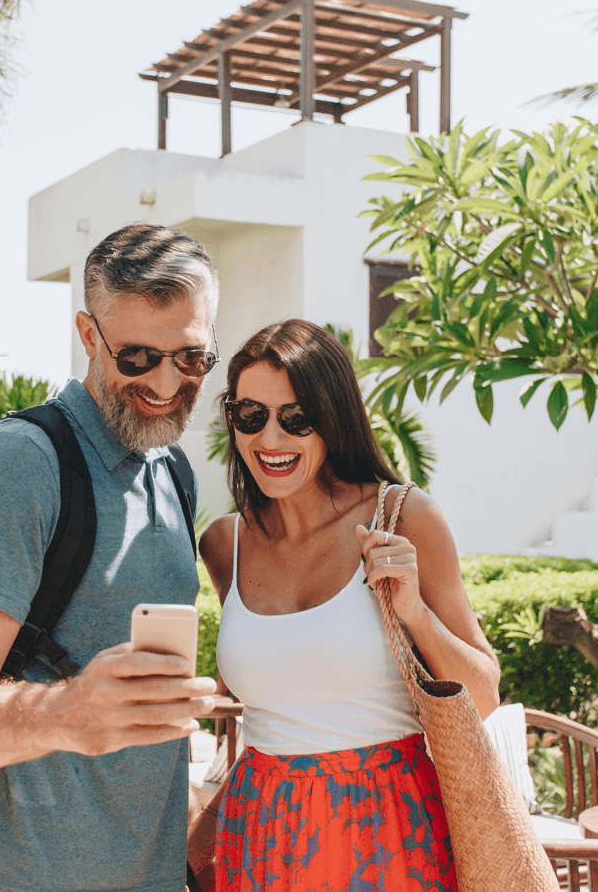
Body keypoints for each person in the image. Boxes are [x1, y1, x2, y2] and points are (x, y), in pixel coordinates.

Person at [0, 223, 221, 892]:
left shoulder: (173, 469)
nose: (166, 382)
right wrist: (65, 714)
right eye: (137, 356)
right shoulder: (22, 463)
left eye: (192, 357)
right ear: (89, 335)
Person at [194, 319, 501, 891]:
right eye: (250, 415)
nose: (271, 439)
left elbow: (483, 698)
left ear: (333, 419)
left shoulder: (405, 518)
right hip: (260, 838)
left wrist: (415, 614)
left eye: (296, 419)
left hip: (386, 834)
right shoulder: (223, 544)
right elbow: (275, 708)